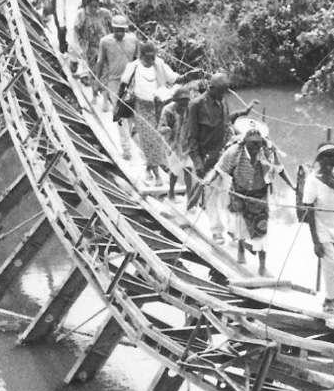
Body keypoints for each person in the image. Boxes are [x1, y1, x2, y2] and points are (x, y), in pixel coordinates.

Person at [218, 120, 280, 272]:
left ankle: (262, 266)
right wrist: (208, 180)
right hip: (240, 193)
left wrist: (292, 186)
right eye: (252, 144)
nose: (255, 147)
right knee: (240, 224)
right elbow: (219, 168)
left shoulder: (266, 153)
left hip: (259, 197)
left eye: (257, 143)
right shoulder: (234, 152)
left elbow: (280, 169)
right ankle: (240, 248)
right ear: (245, 142)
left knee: (261, 230)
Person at [301, 142, 334, 314]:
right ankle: (330, 300)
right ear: (319, 159)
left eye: (333, 156)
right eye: (327, 156)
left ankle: (332, 297)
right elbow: (308, 211)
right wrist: (315, 241)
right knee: (333, 267)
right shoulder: (312, 180)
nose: (331, 160)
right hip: (321, 227)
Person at [120, 41, 182, 185]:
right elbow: (123, 84)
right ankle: (157, 176)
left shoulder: (159, 64)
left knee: (159, 140)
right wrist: (118, 107)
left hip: (158, 107)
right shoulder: (133, 67)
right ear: (141, 56)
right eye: (148, 58)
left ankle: (149, 168)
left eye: (153, 57)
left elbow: (174, 78)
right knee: (149, 139)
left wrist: (189, 77)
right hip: (141, 107)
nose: (152, 60)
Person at [184, 73, 238, 234]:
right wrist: (198, 162)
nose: (223, 95)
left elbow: (227, 124)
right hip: (207, 158)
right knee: (211, 195)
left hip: (224, 156)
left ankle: (232, 229)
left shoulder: (223, 100)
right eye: (221, 91)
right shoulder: (196, 105)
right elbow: (191, 137)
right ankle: (216, 230)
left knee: (229, 193)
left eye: (225, 92)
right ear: (211, 88)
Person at [97, 13, 140, 156]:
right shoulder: (105, 42)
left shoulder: (133, 40)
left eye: (122, 30)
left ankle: (130, 137)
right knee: (119, 112)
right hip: (114, 81)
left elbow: (138, 60)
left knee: (131, 111)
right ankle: (127, 148)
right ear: (112, 29)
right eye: (117, 30)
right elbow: (101, 62)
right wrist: (97, 80)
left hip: (131, 81)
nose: (120, 33)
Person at [72, 0, 113, 101]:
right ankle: (94, 94)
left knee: (105, 72)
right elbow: (76, 31)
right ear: (87, 5)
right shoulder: (82, 14)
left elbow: (112, 28)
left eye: (96, 6)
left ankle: (105, 98)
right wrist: (78, 47)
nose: (94, 9)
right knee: (93, 72)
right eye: (92, 7)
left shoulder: (105, 13)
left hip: (104, 46)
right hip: (90, 47)